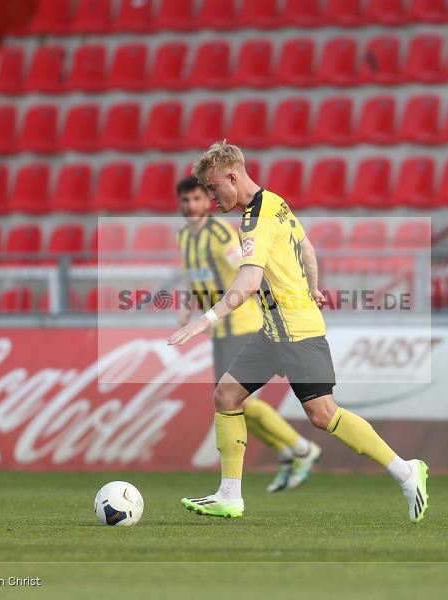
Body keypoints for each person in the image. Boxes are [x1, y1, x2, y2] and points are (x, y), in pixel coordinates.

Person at [168, 141, 429, 522]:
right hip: (274, 331)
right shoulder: (276, 201)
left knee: (323, 414)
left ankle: (407, 472)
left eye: (212, 188)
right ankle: (230, 496)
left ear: (231, 176)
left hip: (295, 331)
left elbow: (248, 284)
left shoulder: (254, 220)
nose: (210, 197)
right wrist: (313, 286)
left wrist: (202, 322)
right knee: (226, 395)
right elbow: (308, 250)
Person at [175, 175, 320, 493]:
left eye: (198, 199)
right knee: (230, 402)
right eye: (185, 201)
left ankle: (301, 448)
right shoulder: (185, 237)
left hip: (240, 324)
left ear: (206, 201)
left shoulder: (219, 235)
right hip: (219, 331)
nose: (191, 206)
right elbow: (193, 277)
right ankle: (288, 454)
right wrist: (188, 308)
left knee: (235, 400)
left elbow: (247, 272)